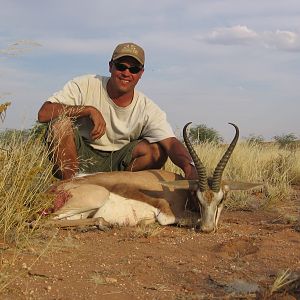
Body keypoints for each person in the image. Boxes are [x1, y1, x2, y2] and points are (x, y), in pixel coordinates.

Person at [38, 42, 197, 180]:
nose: (126, 73)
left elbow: (170, 142)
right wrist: (87, 110)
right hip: (80, 156)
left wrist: (189, 167)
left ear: (141, 73)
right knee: (59, 125)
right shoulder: (86, 84)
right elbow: (44, 113)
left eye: (134, 69)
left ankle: (118, 189)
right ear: (110, 66)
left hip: (118, 163)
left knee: (156, 151)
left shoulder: (147, 108)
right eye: (121, 66)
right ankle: (69, 187)